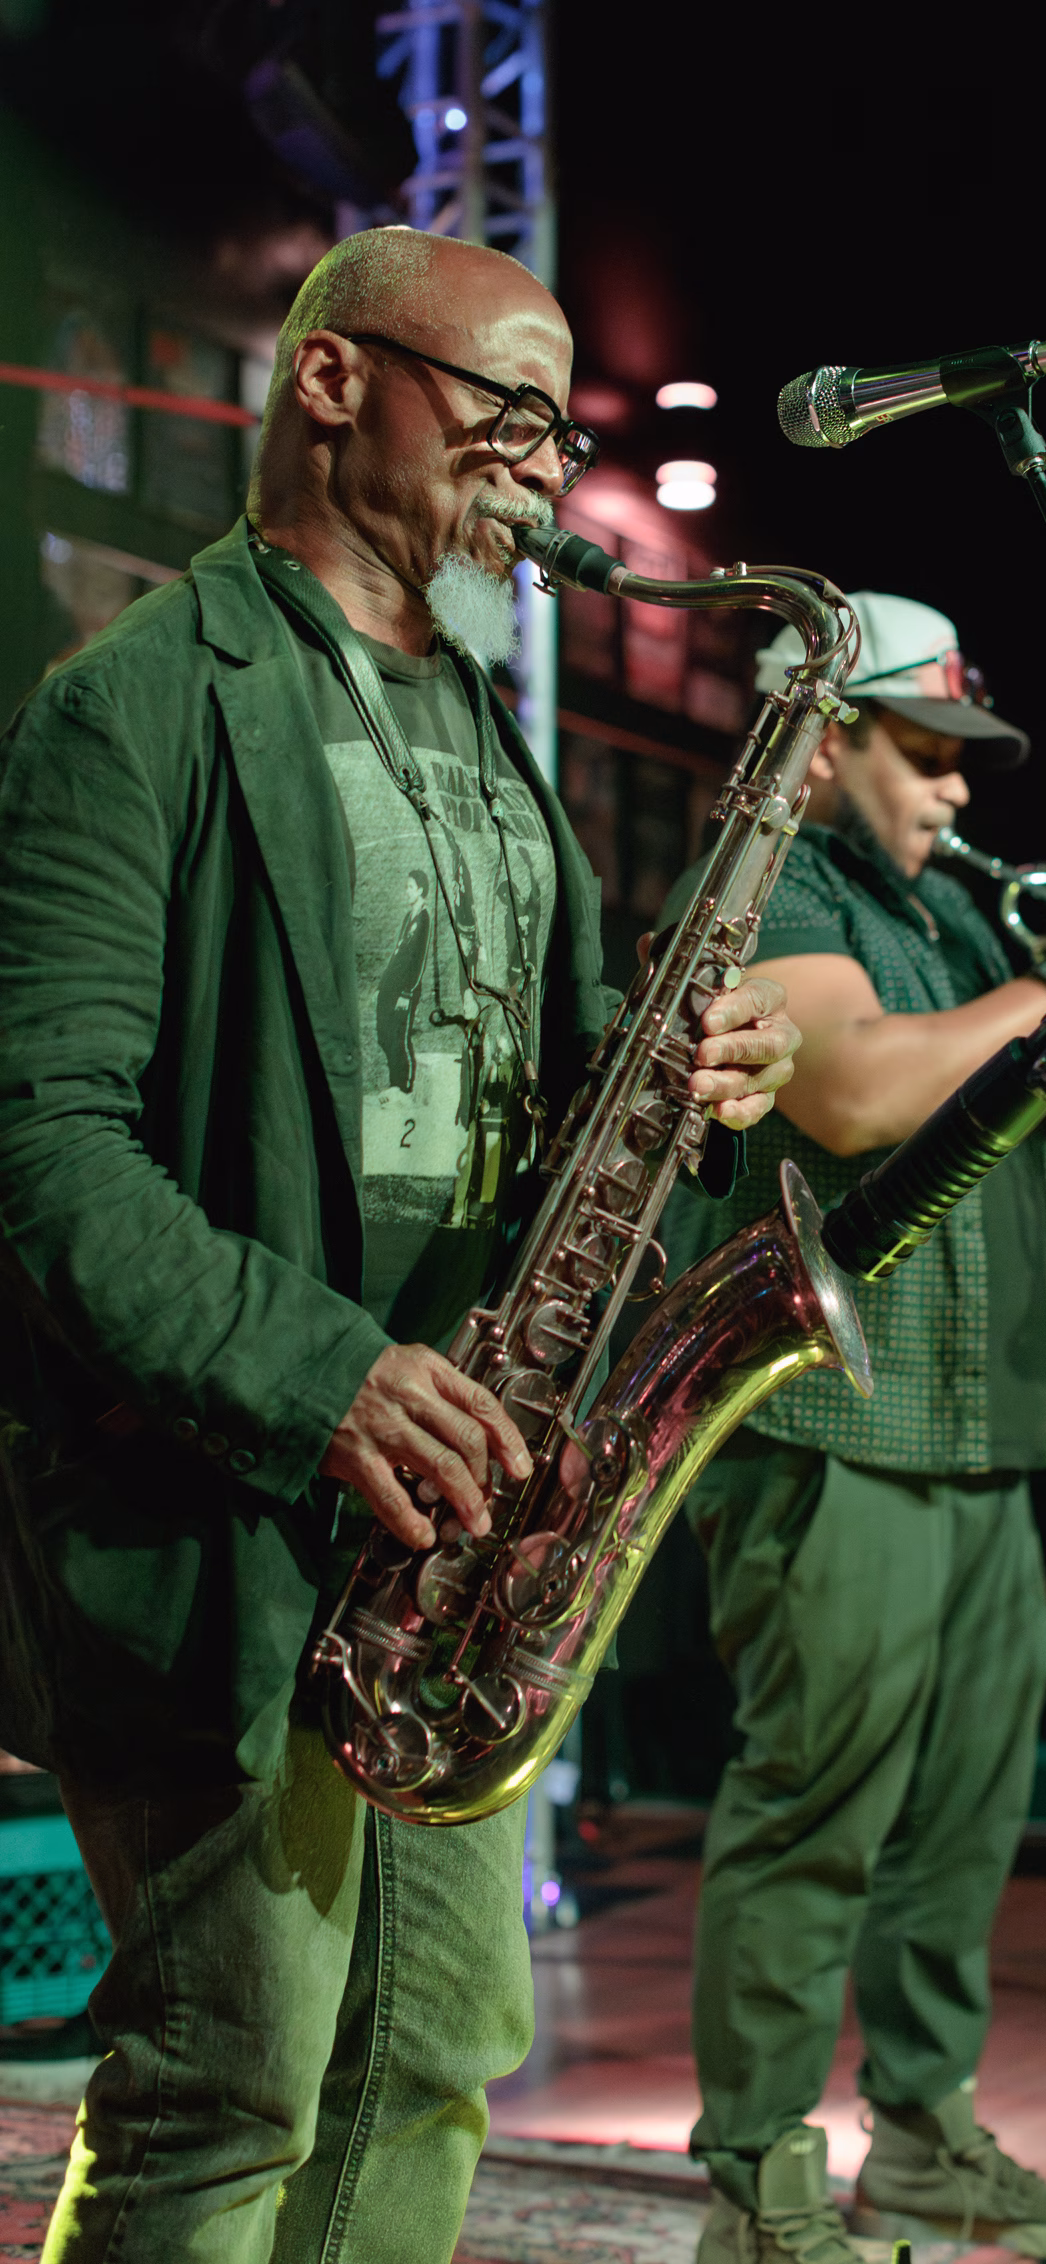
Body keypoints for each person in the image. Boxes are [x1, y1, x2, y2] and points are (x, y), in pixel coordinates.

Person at [0, 225, 800, 2264]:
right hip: (228, 1498)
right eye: (508, 411)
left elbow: (537, 1138)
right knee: (228, 2078)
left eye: (561, 427)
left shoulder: (482, 730)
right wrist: (317, 1374)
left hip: (456, 1516)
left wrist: (678, 1089)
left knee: (433, 2045)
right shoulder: (137, 704)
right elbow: (40, 1139)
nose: (544, 467)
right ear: (337, 381)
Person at [656, 594, 1046, 2264]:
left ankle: (923, 2145)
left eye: (969, 765)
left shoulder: (960, 930)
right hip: (832, 1431)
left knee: (963, 1817)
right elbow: (855, 1095)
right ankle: (759, 2192)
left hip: (978, 1434)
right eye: (926, 753)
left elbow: (1019, 1171)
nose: (960, 793)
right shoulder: (772, 890)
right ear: (823, 740)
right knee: (813, 1815)